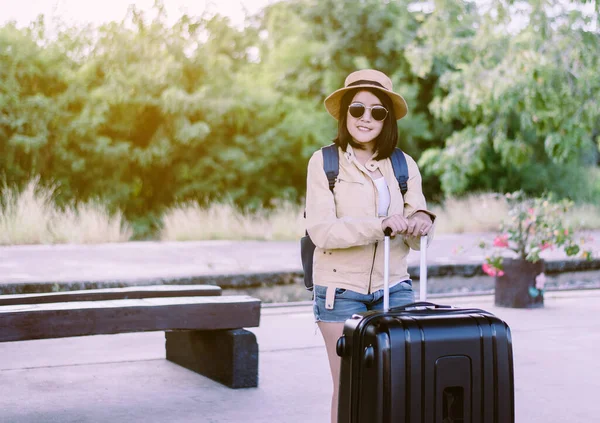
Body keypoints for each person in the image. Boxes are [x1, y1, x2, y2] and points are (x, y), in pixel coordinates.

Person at [304, 69, 436, 423]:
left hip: (394, 286)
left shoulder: (403, 164)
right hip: (339, 290)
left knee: (400, 382)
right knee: (348, 385)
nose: (366, 118)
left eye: (377, 112)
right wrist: (381, 226)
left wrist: (422, 222)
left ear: (387, 119)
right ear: (345, 112)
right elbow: (322, 231)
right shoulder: (324, 162)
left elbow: (415, 218)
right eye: (357, 109)